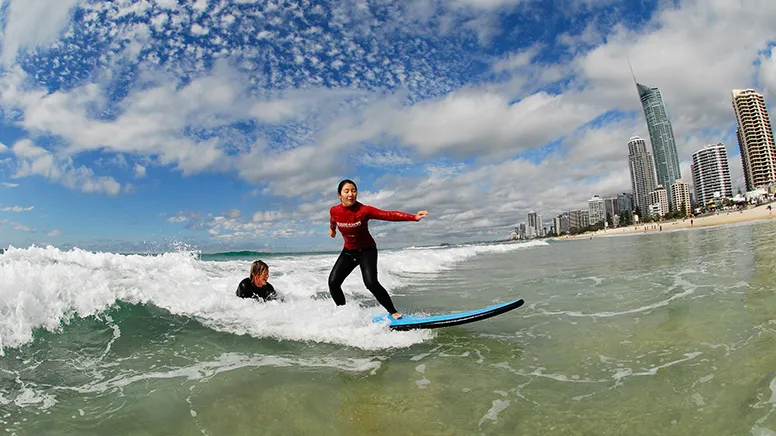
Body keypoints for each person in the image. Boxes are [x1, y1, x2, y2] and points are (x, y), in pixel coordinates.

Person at [328, 179, 428, 319]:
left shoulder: (364, 210)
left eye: (353, 190)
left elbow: (388, 215)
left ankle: (393, 312)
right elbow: (333, 219)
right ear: (340, 195)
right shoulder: (335, 210)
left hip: (367, 251)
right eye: (346, 191)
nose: (350, 194)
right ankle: (344, 314)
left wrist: (413, 217)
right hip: (349, 251)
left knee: (371, 283)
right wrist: (332, 230)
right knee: (333, 283)